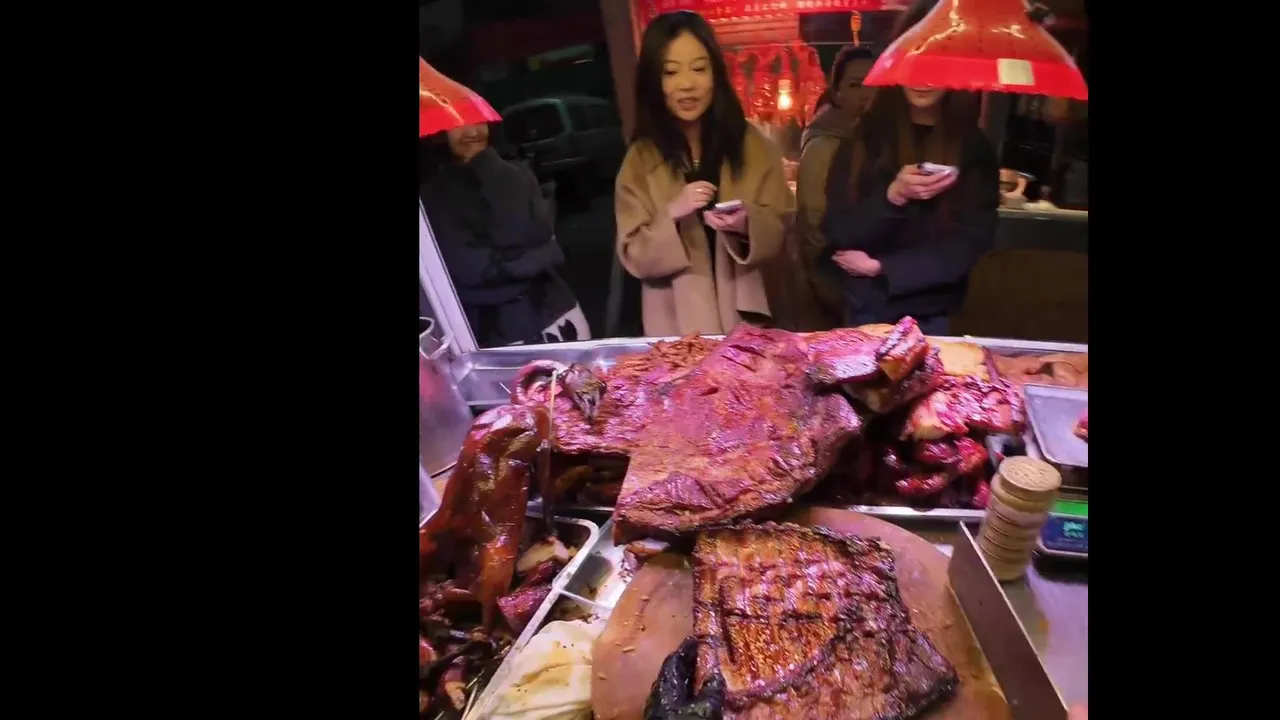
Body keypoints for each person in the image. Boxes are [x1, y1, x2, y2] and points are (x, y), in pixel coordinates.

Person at [821, 0, 999, 336]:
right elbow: (838, 230)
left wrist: (882, 267)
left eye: (937, 63)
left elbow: (968, 244)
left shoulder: (972, 147)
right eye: (914, 58)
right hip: (865, 310)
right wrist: (893, 196)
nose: (923, 78)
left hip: (934, 315)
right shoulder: (864, 138)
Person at [615, 10, 792, 337]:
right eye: (670, 72)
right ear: (654, 81)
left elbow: (783, 227)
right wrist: (672, 214)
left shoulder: (754, 147)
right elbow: (633, 255)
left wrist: (747, 225)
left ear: (716, 73)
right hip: (677, 331)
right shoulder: (640, 161)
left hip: (751, 328)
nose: (687, 85)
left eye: (699, 68)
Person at [419, 122, 590, 346]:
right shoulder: (432, 197)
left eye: (478, 122)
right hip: (493, 331)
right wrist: (540, 256)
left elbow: (532, 231)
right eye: (458, 125)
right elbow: (471, 269)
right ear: (439, 132)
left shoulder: (513, 172)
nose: (472, 132)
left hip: (555, 314)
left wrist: (486, 163)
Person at [796, 45, 879, 330]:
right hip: (838, 281)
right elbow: (812, 221)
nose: (866, 94)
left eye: (873, 84)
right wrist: (831, 289)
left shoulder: (878, 137)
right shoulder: (825, 143)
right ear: (837, 92)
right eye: (855, 85)